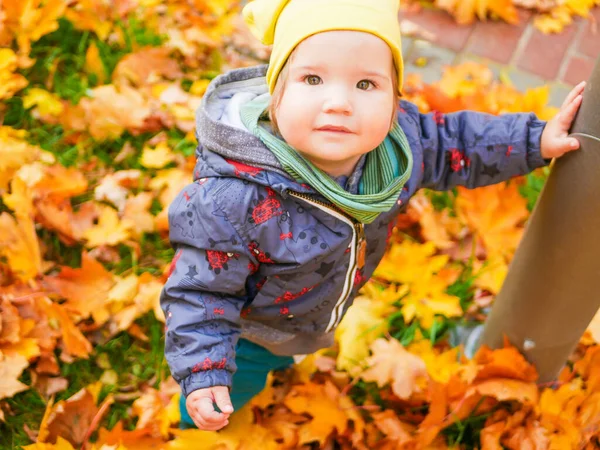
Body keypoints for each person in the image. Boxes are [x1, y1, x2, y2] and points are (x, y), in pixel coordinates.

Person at [160, 0, 585, 431]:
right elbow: (202, 293)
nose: (339, 103)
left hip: (313, 308)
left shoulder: (398, 148)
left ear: (395, 99)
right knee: (232, 389)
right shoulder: (233, 201)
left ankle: (289, 359)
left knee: (287, 356)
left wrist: (535, 139)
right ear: (276, 92)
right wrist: (204, 373)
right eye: (312, 78)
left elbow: (458, 142)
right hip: (249, 332)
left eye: (366, 84)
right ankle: (195, 426)